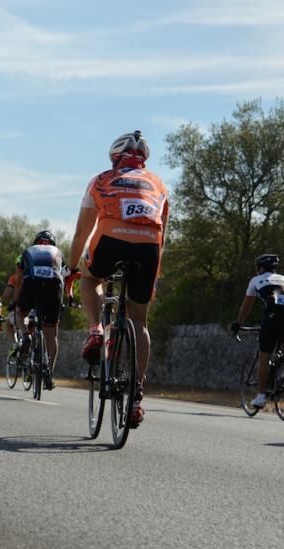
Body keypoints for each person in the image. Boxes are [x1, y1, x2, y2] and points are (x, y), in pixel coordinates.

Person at [67, 130, 169, 427]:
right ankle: (137, 395)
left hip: (110, 239)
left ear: (114, 157)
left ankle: (96, 329)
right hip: (150, 247)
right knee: (140, 321)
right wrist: (155, 270)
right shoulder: (158, 183)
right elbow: (164, 230)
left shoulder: (101, 179)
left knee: (89, 278)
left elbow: (80, 233)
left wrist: (73, 269)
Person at [230, 254, 284, 408]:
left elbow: (246, 306)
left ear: (261, 268)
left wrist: (238, 323)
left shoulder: (255, 280)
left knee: (264, 355)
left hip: (274, 316)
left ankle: (261, 397)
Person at [15, 231, 66, 390]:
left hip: (32, 282)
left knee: (20, 313)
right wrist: (63, 301)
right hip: (54, 285)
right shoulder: (59, 253)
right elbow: (65, 277)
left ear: (36, 241)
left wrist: (17, 302)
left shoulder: (28, 251)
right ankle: (49, 373)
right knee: (52, 332)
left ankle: (25, 335)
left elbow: (18, 280)